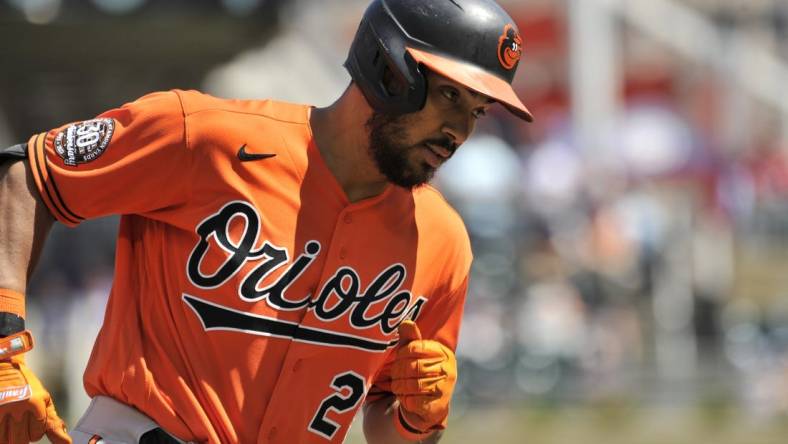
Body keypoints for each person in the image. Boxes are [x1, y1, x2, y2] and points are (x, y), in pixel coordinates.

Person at [0, 0, 531, 442]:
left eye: (477, 110)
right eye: (450, 96)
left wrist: (419, 418)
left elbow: (387, 424)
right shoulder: (206, 137)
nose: (459, 129)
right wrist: (4, 344)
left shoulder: (441, 242)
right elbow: (27, 178)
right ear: (390, 68)